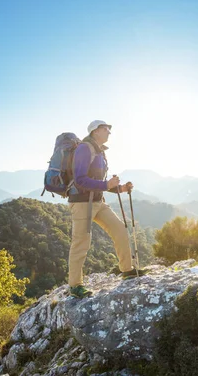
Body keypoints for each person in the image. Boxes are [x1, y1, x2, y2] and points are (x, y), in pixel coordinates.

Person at [67, 120, 147, 298]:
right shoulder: (84, 149)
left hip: (97, 201)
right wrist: (106, 184)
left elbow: (100, 183)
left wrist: (120, 188)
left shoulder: (100, 152)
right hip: (81, 203)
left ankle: (127, 270)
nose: (109, 132)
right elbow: (80, 179)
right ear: (96, 131)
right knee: (81, 243)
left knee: (119, 229)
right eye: (106, 129)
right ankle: (74, 286)